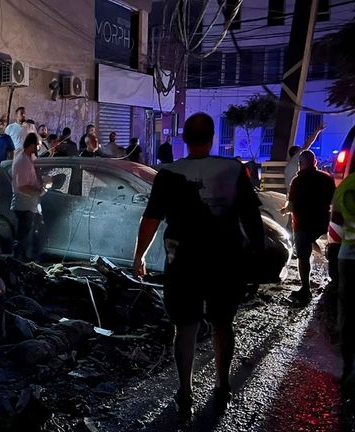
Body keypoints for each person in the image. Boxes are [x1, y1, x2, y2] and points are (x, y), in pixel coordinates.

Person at [132, 113, 265, 421]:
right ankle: (221, 387)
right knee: (222, 325)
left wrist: (139, 257)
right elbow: (251, 217)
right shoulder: (233, 170)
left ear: (185, 139)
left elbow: (150, 220)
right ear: (213, 137)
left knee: (185, 327)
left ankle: (184, 392)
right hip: (225, 264)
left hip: (183, 264)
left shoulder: (168, 173)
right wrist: (256, 254)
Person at [284, 150, 336, 303]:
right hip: (323, 222)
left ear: (301, 164)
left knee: (303, 257)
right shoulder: (327, 178)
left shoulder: (297, 181)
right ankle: (333, 281)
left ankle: (305, 289)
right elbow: (333, 201)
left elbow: (291, 207)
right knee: (330, 251)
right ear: (314, 162)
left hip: (303, 224)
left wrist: (285, 209)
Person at [331, 173, 355, 384]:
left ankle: (348, 366)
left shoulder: (347, 184)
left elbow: (336, 219)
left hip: (348, 255)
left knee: (347, 310)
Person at [12, 133, 51, 261]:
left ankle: (29, 259)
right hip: (24, 206)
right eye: (38, 145)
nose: (38, 149)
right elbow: (21, 186)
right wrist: (38, 190)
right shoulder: (22, 161)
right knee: (23, 238)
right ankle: (18, 262)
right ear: (32, 145)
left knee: (34, 235)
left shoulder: (29, 158)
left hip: (32, 205)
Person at [285, 122, 326, 192]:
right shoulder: (296, 157)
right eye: (300, 149)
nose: (302, 150)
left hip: (292, 194)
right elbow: (307, 144)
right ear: (295, 152)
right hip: (299, 193)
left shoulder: (290, 165)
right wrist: (317, 131)